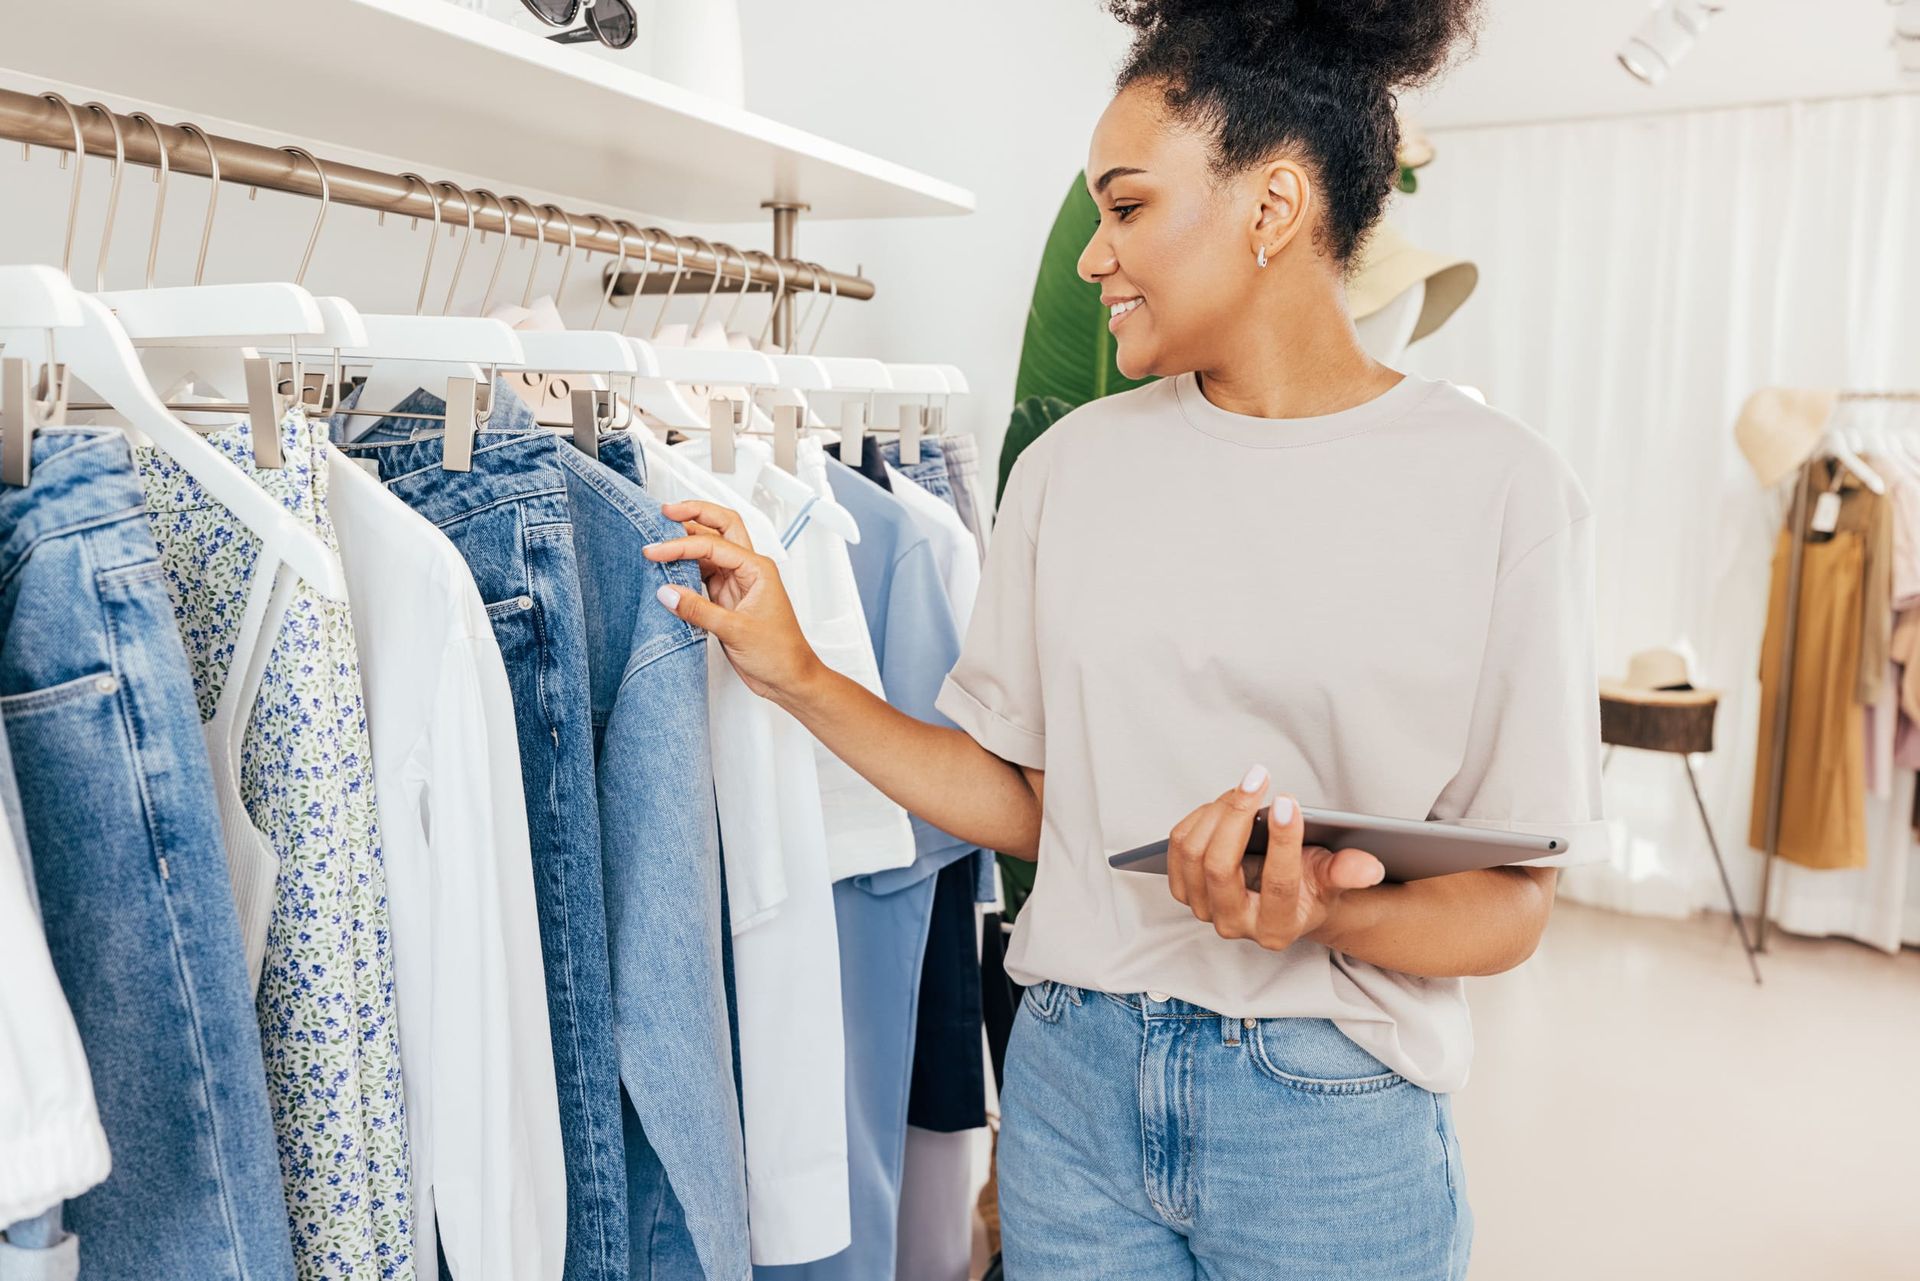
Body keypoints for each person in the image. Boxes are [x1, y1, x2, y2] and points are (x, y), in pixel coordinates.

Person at [643, 0, 1605, 1275]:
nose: (1094, 258)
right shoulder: (1068, 470)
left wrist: (1312, 911)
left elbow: (1510, 909)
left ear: (1273, 208)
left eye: (1129, 207)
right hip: (1071, 1096)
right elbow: (1038, 808)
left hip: (1329, 1126)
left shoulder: (1502, 490)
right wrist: (799, 674)